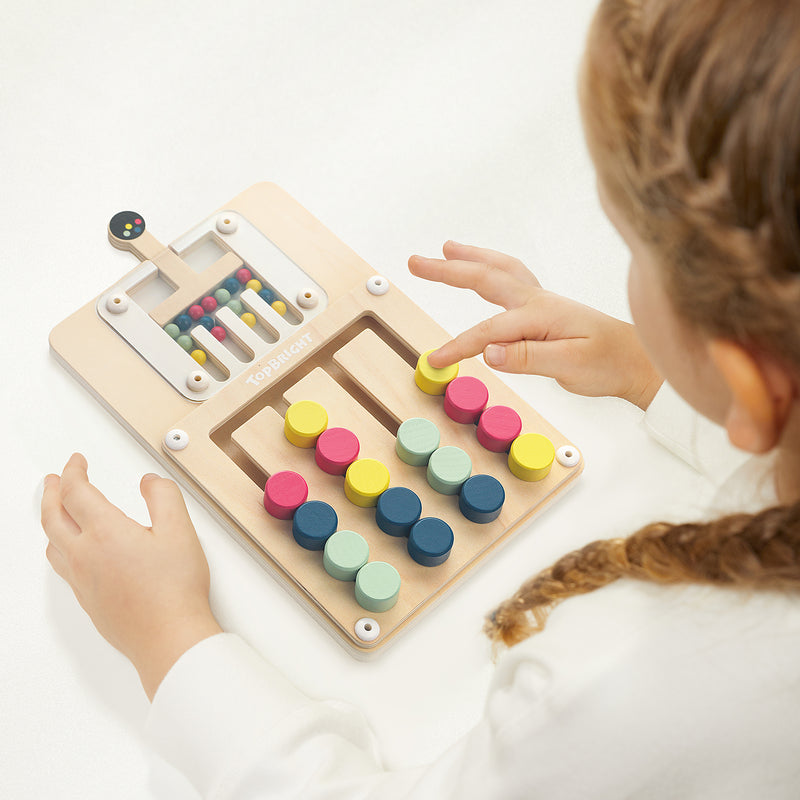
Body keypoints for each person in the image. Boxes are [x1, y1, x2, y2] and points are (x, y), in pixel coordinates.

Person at [40, 0, 800, 796]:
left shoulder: (618, 684)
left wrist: (173, 641)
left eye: (635, 250)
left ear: (753, 380)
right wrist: (655, 369)